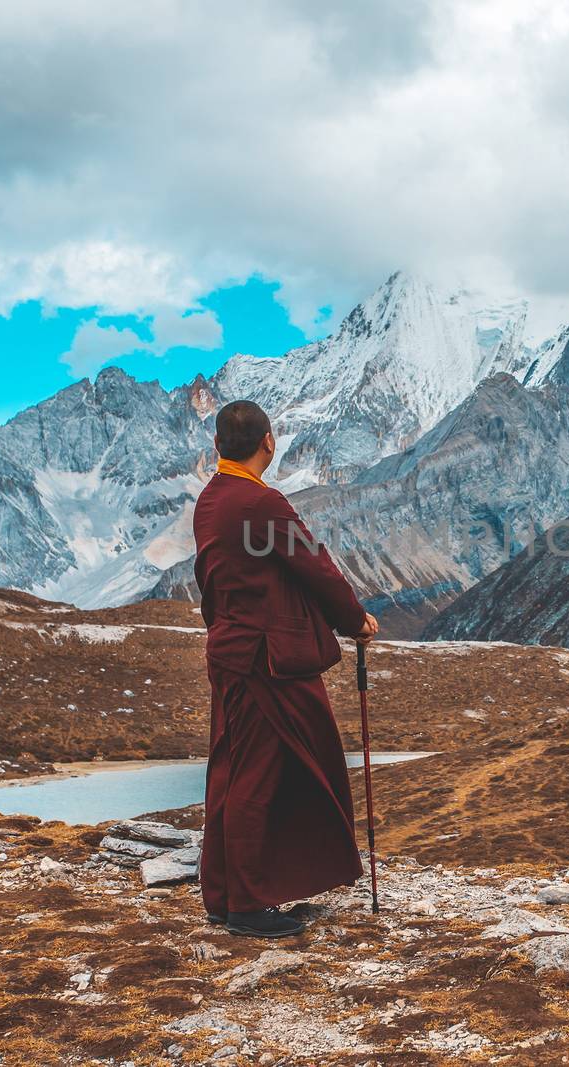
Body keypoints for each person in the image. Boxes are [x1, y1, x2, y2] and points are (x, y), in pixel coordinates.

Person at [192, 400, 380, 938]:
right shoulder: (260, 502)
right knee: (261, 771)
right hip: (265, 659)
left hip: (230, 651)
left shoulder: (210, 500)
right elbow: (313, 566)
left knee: (232, 768)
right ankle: (249, 904)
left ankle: (225, 894)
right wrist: (354, 620)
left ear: (218, 448)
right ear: (268, 443)